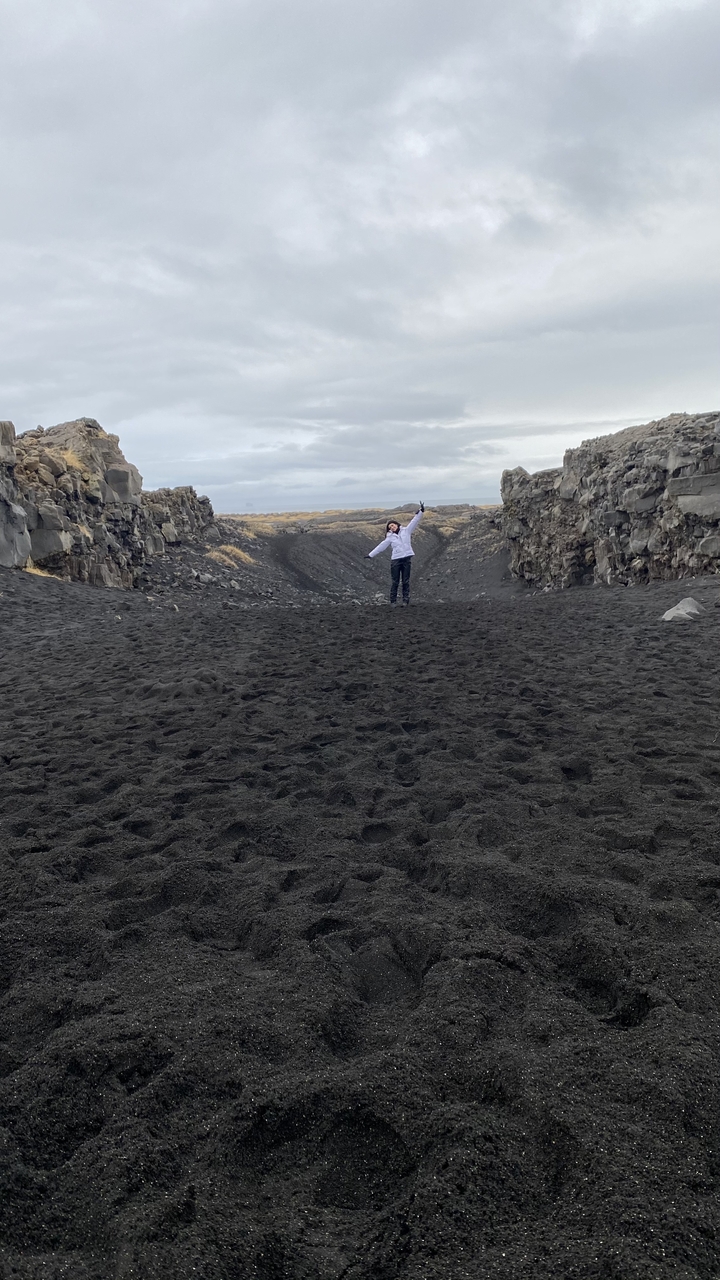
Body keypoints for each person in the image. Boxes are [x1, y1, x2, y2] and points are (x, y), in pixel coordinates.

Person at [366, 503, 425, 606]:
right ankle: (393, 601)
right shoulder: (390, 537)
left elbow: (414, 521)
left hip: (406, 559)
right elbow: (381, 546)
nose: (392, 527)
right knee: (395, 581)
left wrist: (421, 511)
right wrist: (371, 555)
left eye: (392, 525)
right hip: (396, 560)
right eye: (390, 527)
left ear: (397, 524)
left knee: (405, 581)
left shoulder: (406, 531)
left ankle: (405, 600)